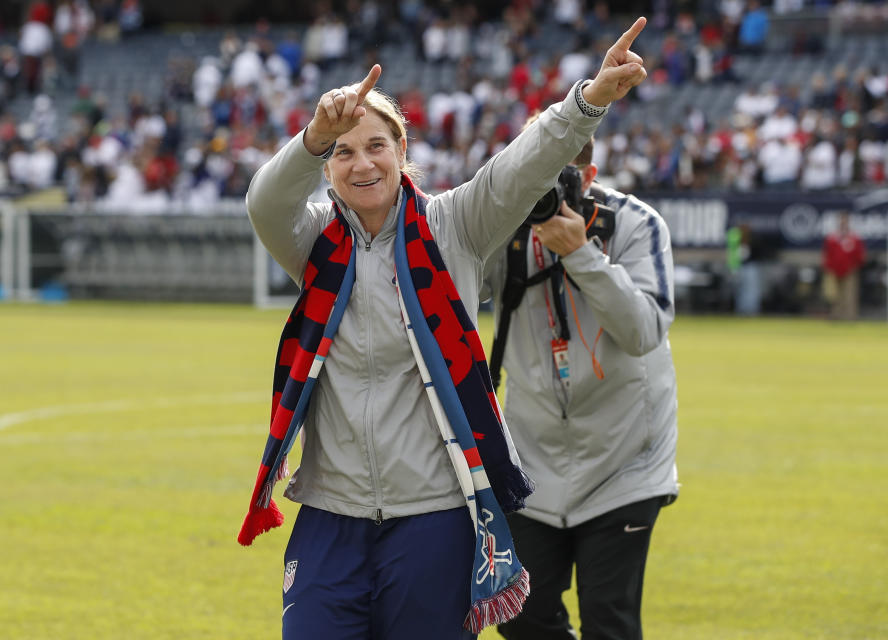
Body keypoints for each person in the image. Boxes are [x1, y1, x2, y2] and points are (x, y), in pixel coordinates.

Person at [238, 17, 650, 640]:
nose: (361, 163)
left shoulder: (455, 224)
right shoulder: (313, 239)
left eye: (376, 145)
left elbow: (524, 165)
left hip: (434, 516)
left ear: (402, 152)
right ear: (326, 170)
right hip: (329, 512)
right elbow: (264, 203)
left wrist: (588, 99)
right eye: (343, 152)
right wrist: (311, 137)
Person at [485, 137, 679, 640]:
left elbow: (643, 331)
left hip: (625, 461)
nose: (542, 195)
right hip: (532, 461)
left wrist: (580, 253)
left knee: (608, 621)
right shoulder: (501, 230)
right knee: (521, 616)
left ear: (588, 176)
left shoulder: (635, 223)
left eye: (558, 179)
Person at [822, 212, 866, 321]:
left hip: (849, 270)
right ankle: (836, 316)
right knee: (834, 295)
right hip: (834, 270)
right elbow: (827, 254)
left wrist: (854, 267)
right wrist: (828, 267)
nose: (843, 222)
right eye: (841, 220)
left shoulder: (854, 237)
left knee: (849, 295)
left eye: (845, 220)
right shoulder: (832, 237)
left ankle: (850, 317)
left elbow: (859, 255)